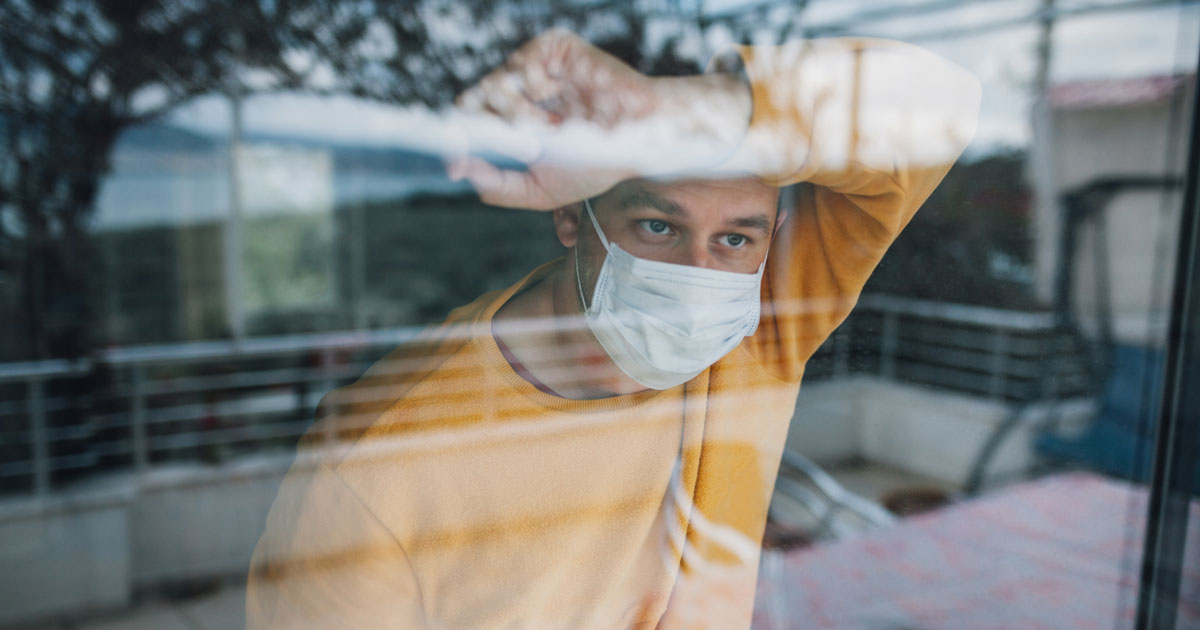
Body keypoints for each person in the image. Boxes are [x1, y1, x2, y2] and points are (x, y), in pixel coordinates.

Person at [245, 30, 980, 629]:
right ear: (573, 215)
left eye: (735, 238)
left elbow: (937, 108)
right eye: (657, 225)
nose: (698, 273)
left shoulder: (756, 335)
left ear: (772, 236)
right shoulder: (381, 455)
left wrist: (675, 112)